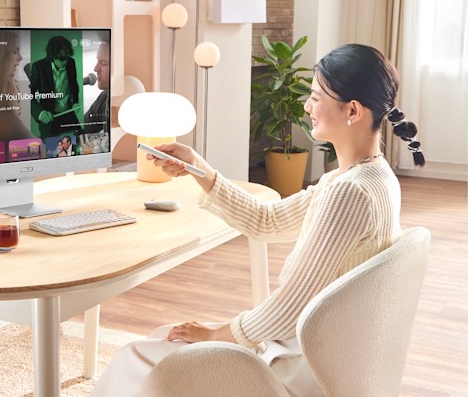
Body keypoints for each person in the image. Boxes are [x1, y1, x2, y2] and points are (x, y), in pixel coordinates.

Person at [90, 44, 425, 397]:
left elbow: (292, 305)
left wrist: (218, 333)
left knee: (133, 358)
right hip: (331, 355)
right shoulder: (369, 177)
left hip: (302, 366)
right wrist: (198, 168)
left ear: (353, 110)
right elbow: (266, 221)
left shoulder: (349, 194)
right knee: (161, 338)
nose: (307, 107)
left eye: (315, 97)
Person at [29, 35, 81, 138]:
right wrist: (40, 113)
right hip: (49, 118)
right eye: (62, 59)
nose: (65, 61)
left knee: (79, 144)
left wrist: (75, 101)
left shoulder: (70, 62)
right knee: (51, 151)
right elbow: (29, 95)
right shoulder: (38, 67)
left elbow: (74, 84)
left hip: (68, 114)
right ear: (52, 56)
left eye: (67, 56)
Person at [83, 40, 111, 134]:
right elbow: (81, 128)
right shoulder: (104, 97)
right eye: (97, 61)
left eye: (103, 63)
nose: (95, 68)